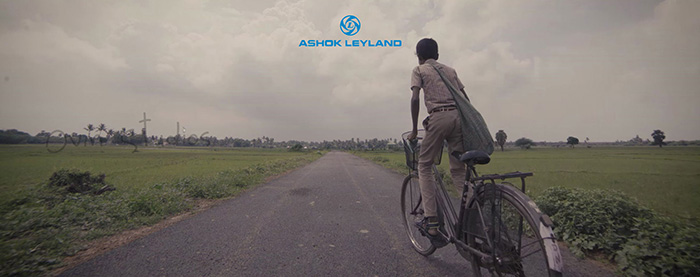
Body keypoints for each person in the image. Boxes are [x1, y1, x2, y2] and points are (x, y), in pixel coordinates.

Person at [407, 38, 469, 247]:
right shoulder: (450, 71)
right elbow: (465, 99)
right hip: (458, 118)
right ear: (438, 55)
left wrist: (415, 129)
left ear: (419, 56)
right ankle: (472, 217)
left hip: (438, 116)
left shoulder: (420, 69)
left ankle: (432, 222)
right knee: (458, 170)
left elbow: (415, 99)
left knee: (424, 165)